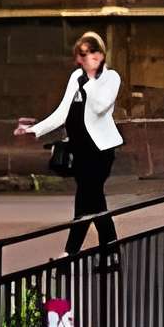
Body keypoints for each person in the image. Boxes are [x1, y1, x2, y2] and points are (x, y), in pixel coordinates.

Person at [26, 29, 124, 257]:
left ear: (100, 54)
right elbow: (62, 112)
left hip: (101, 150)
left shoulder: (111, 78)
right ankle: (111, 251)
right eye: (81, 54)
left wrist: (89, 81)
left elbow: (101, 107)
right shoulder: (75, 77)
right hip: (80, 151)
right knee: (94, 202)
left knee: (86, 200)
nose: (84, 59)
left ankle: (70, 253)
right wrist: (36, 130)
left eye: (89, 53)